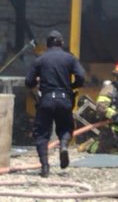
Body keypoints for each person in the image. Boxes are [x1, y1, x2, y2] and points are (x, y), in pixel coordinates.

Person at [24, 30, 86, 177]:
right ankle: (63, 145)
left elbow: (28, 82)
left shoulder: (40, 60)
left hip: (46, 100)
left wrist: (36, 82)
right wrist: (71, 86)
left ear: (47, 44)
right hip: (64, 99)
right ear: (62, 43)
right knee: (66, 127)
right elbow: (81, 76)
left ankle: (45, 167)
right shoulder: (70, 58)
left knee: (41, 134)